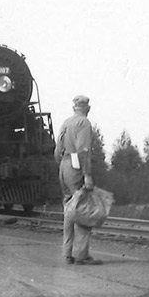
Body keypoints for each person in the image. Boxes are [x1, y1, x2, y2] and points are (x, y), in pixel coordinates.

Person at [54, 95, 102, 266]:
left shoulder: (66, 122)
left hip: (64, 166)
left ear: (74, 107)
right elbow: (83, 151)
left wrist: (63, 166)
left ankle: (67, 253)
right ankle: (82, 254)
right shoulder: (84, 123)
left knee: (69, 208)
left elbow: (57, 150)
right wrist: (87, 174)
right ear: (88, 108)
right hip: (76, 166)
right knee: (82, 208)